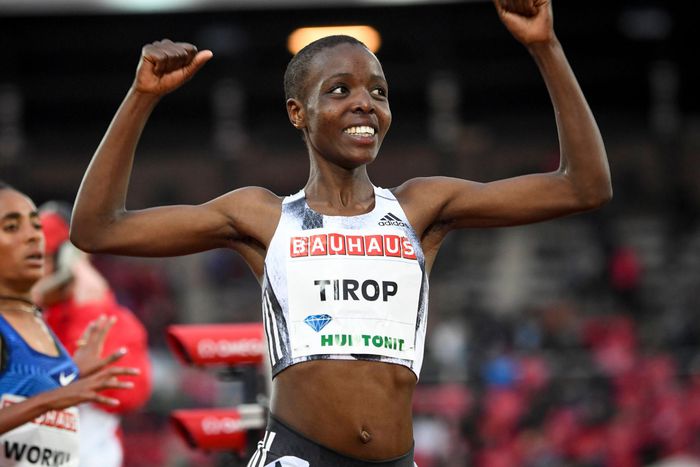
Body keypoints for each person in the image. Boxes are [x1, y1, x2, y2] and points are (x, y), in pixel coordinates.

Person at [70, 0, 612, 465]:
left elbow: (583, 186)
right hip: (296, 454)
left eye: (379, 92)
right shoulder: (261, 216)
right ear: (297, 113)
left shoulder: (422, 207)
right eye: (339, 89)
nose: (364, 103)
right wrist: (141, 96)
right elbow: (97, 228)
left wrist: (545, 46)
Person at [0, 181, 138, 467]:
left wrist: (72, 373)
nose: (32, 239)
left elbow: (126, 394)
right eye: (12, 228)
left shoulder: (46, 320)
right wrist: (53, 397)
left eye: (35, 228)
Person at [31, 202, 153, 467]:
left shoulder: (108, 318)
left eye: (41, 258)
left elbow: (126, 395)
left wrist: (89, 311)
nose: (30, 269)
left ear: (67, 263)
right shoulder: (19, 319)